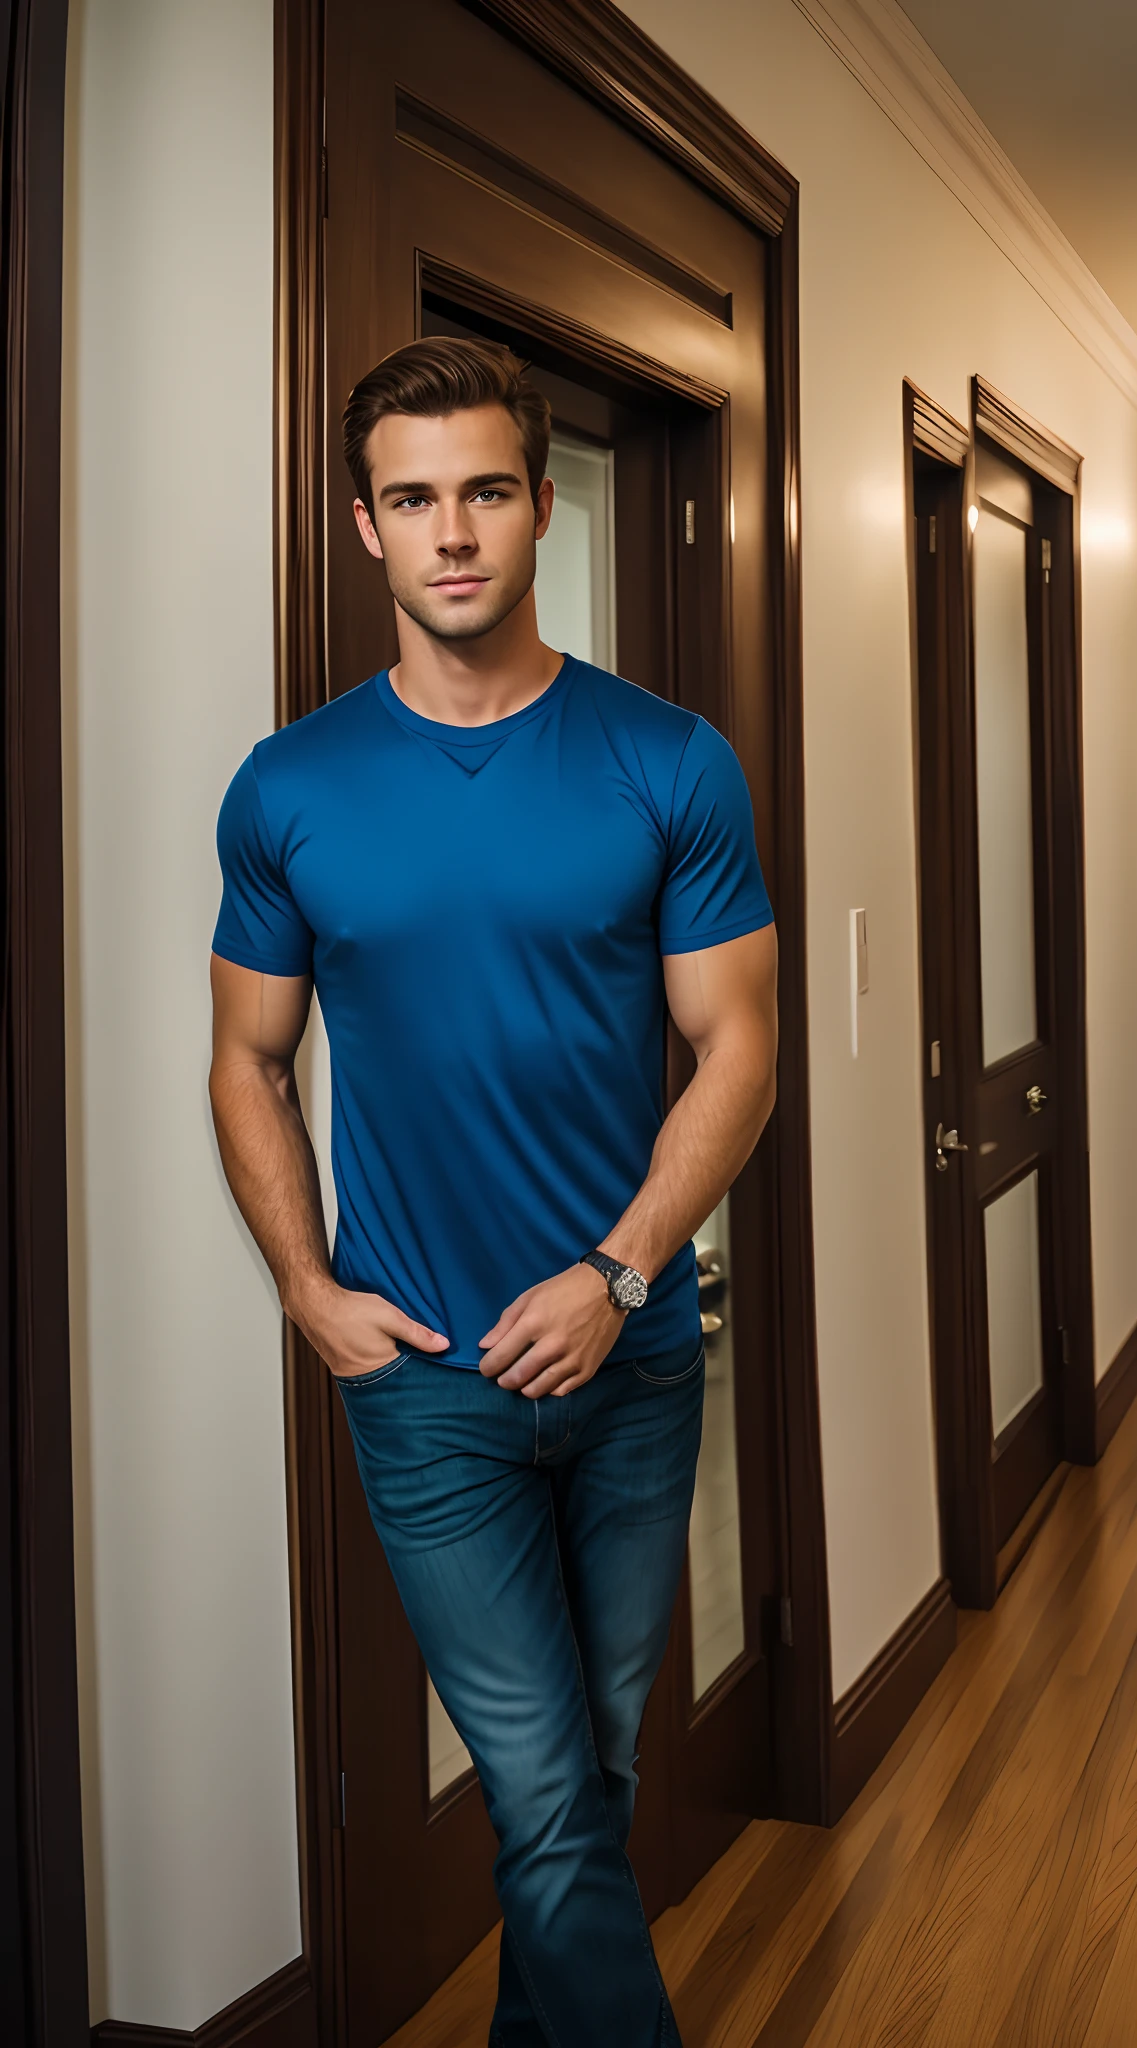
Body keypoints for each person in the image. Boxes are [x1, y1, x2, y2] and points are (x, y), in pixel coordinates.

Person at [207, 335, 776, 2047]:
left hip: (634, 1361)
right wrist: (309, 1290)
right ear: (365, 528)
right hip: (429, 1387)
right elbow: (246, 1060)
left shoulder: (668, 760)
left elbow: (736, 1046)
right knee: (542, 1794)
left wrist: (616, 1276)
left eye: (482, 491)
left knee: (585, 1778)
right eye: (411, 498)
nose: (451, 531)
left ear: (536, 506)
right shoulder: (290, 787)